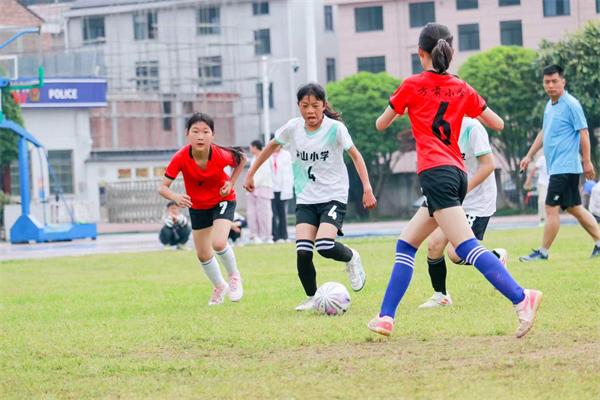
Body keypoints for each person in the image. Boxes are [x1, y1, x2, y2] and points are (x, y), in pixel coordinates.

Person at [367, 23, 541, 339]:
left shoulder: (412, 85)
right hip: (456, 173)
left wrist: (409, 109)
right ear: (450, 51)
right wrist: (461, 104)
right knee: (407, 243)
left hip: (436, 175)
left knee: (466, 247)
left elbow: (381, 124)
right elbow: (498, 123)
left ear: (421, 53)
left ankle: (521, 297)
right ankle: (385, 317)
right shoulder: (462, 87)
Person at [243, 83, 377, 311]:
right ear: (299, 107)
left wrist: (367, 188)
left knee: (325, 246)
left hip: (333, 196)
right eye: (305, 106)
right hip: (306, 198)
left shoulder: (335, 129)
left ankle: (351, 256)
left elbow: (356, 156)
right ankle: (313, 298)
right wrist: (251, 172)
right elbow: (270, 146)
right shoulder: (292, 128)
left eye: (315, 105)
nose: (310, 111)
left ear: (324, 106)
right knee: (303, 252)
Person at [158, 112, 247, 305]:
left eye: (206, 132)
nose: (200, 136)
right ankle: (219, 286)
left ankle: (234, 277)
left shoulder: (220, 154)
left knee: (218, 242)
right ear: (187, 134)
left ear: (212, 135)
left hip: (223, 200)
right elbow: (162, 187)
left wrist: (231, 183)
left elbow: (241, 160)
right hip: (198, 206)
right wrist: (175, 197)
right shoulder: (180, 157)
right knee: (203, 254)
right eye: (195, 131)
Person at [419, 117, 508, 308]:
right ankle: (441, 296)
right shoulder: (439, 127)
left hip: (477, 200)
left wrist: (463, 190)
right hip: (451, 198)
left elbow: (489, 165)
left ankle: (496, 258)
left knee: (456, 253)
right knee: (434, 244)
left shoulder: (472, 127)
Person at [519, 64, 600, 261]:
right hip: (558, 168)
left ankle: (543, 252)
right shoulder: (549, 105)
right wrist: (529, 155)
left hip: (566, 167)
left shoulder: (571, 104)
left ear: (563, 82)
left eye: (555, 81)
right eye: (547, 82)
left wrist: (587, 162)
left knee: (550, 208)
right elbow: (544, 132)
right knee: (575, 208)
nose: (550, 85)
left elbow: (584, 132)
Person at [246, 140, 274, 243]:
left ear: (255, 147)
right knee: (252, 213)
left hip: (263, 188)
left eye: (251, 147)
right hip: (252, 189)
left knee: (264, 214)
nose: (250, 149)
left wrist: (254, 184)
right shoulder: (254, 158)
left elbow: (264, 174)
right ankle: (254, 235)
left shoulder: (265, 157)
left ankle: (266, 236)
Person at [271, 145, 294, 242]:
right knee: (273, 213)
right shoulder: (268, 154)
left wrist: (290, 185)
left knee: (282, 213)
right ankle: (275, 236)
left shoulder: (286, 155)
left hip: (283, 188)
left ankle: (284, 236)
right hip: (272, 188)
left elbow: (289, 171)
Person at [523, 155, 549, 225]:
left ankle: (550, 219)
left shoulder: (556, 157)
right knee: (542, 201)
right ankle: (542, 219)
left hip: (553, 183)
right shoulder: (542, 158)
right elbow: (534, 169)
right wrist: (528, 180)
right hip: (543, 183)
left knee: (552, 203)